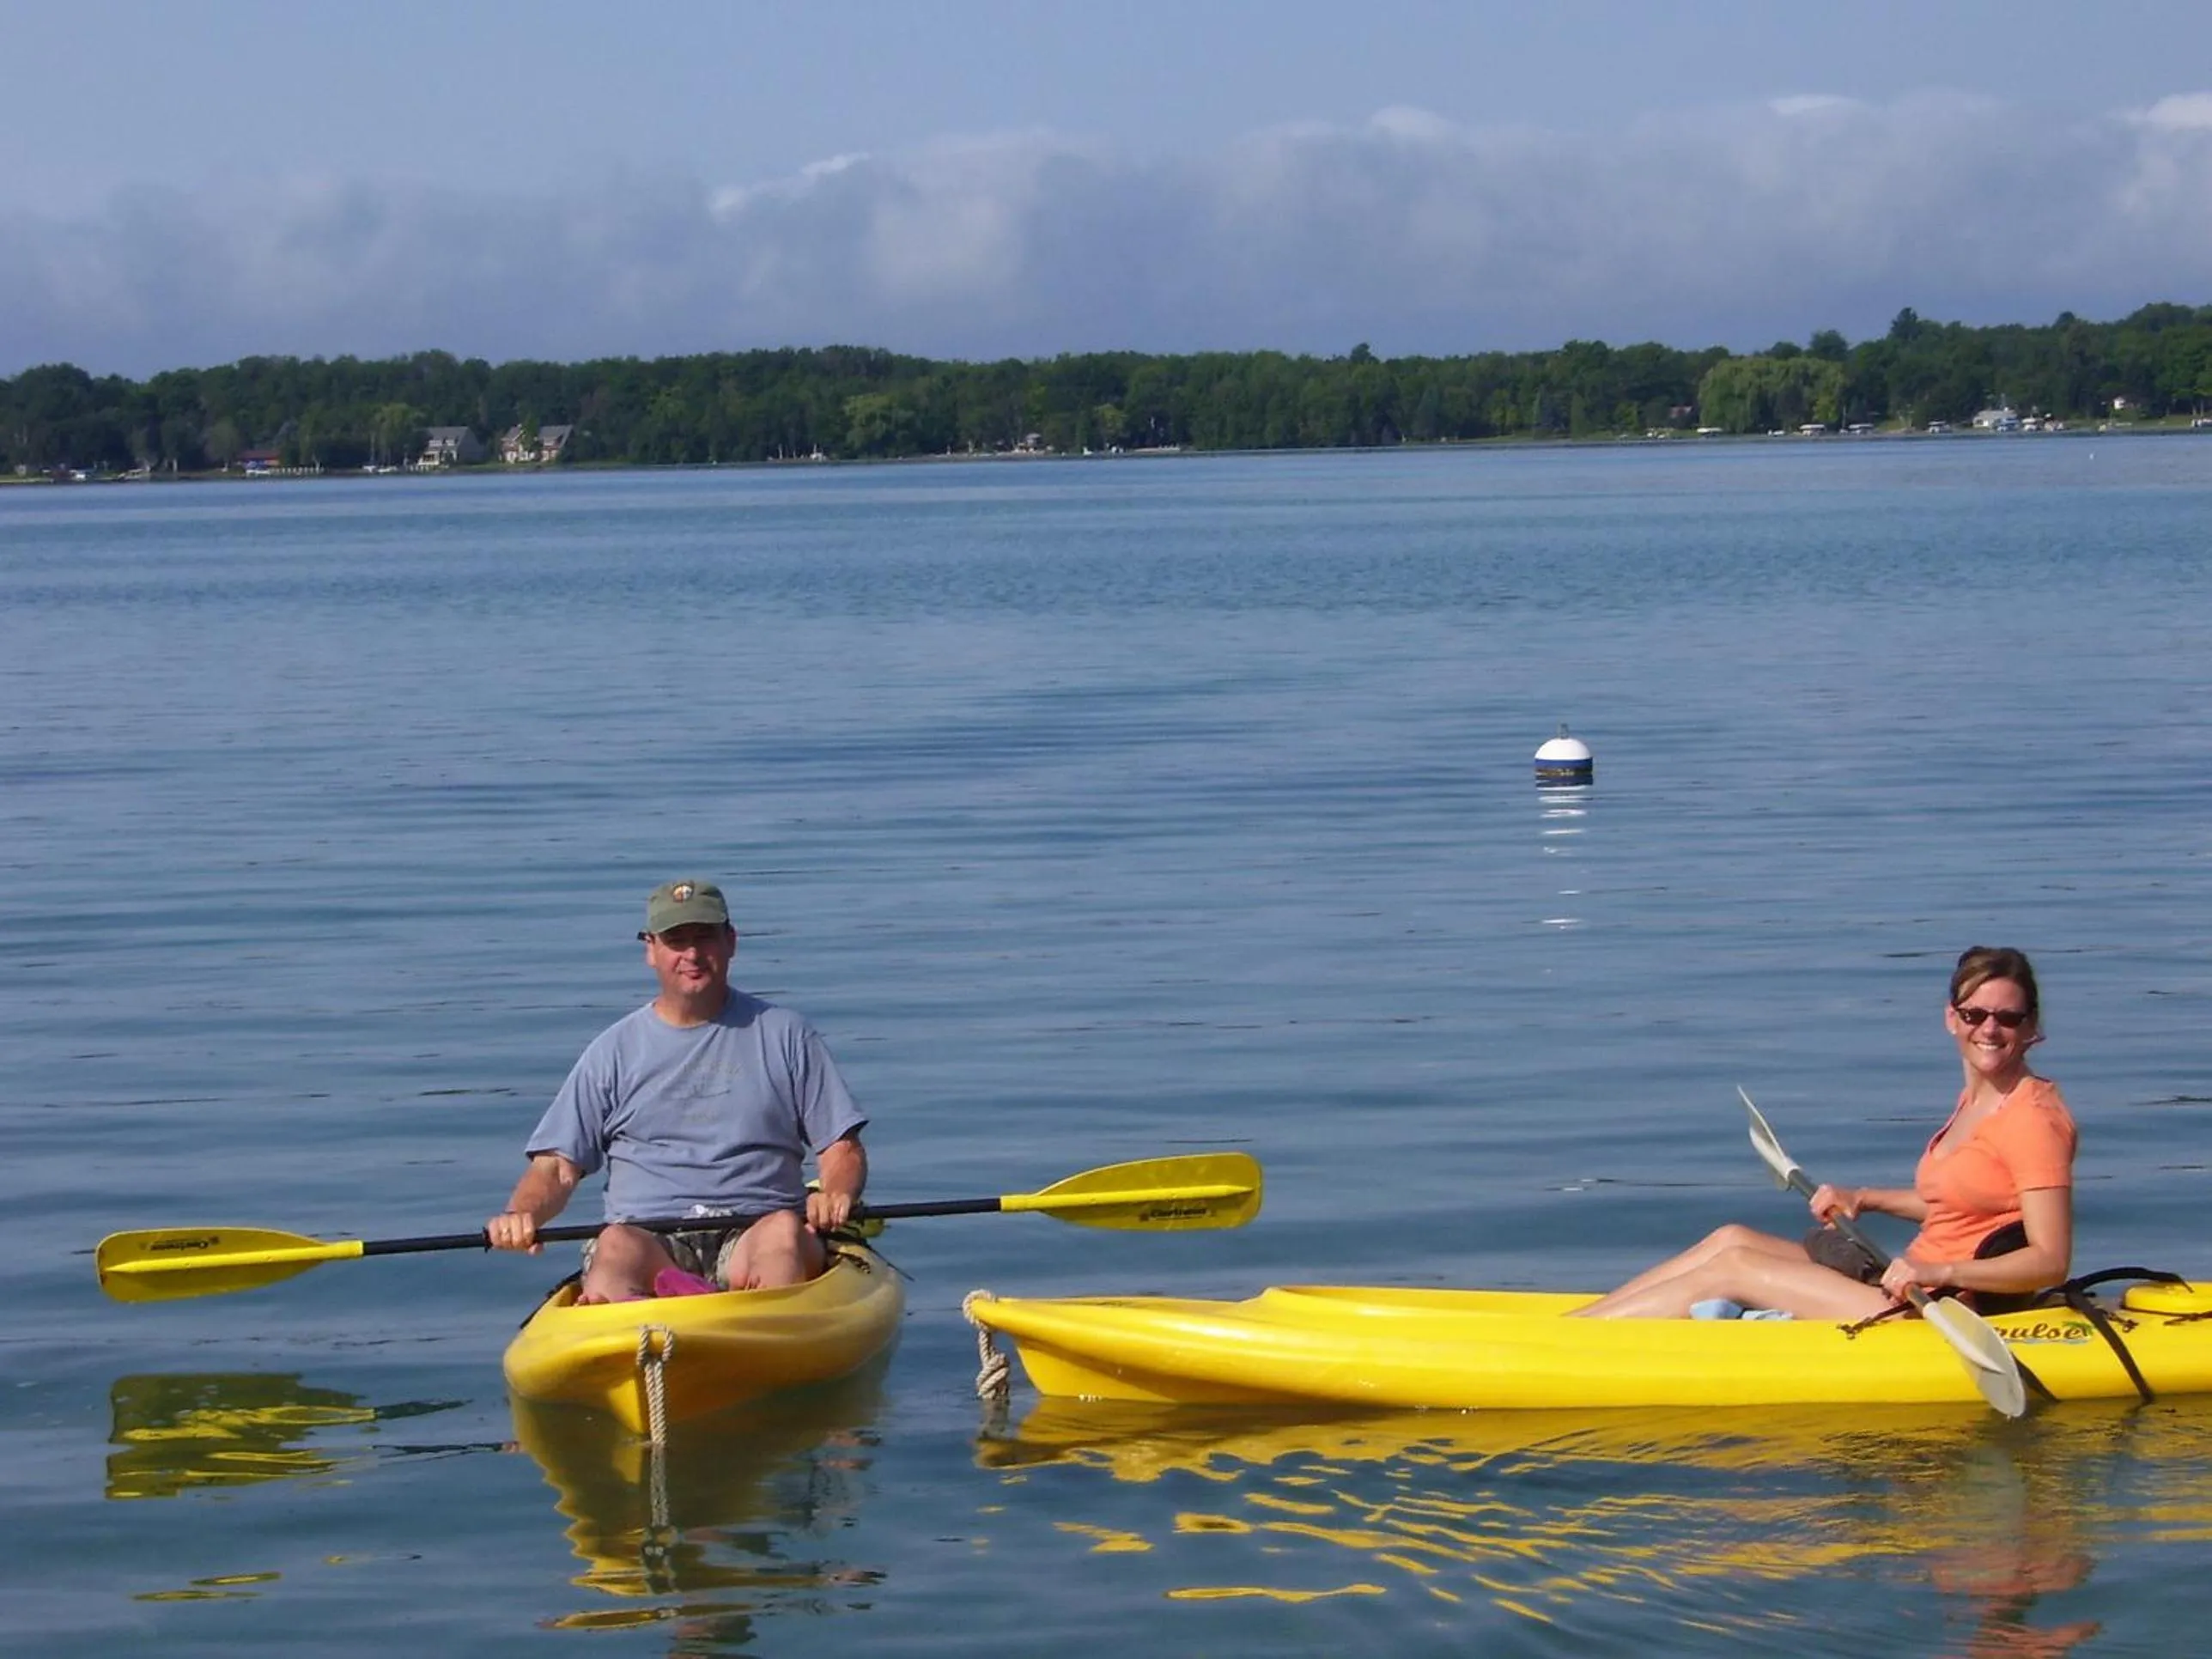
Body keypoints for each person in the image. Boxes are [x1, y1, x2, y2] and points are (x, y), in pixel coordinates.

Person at [1574, 946, 2075, 1322]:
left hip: (1934, 1310)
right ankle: (1572, 1327)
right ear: (1951, 1019)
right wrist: (1865, 1198)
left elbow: (2049, 1261)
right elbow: (1963, 1204)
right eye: (1974, 1014)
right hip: (1902, 1279)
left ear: (2031, 1026)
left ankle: (1574, 1348)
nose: (1989, 1029)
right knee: (1731, 1238)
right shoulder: (1979, 1098)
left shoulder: (2032, 1119)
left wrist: (1939, 1273)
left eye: (2007, 1018)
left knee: (1734, 1268)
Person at [486, 878, 868, 1303]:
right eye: (676, 941)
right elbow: (556, 1167)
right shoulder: (611, 1052)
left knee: (782, 1234)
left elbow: (840, 1148)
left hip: (757, 1230)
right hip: (650, 1239)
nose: (692, 954)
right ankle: (642, 1314)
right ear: (650, 950)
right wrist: (521, 1214)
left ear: (731, 942)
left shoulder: (787, 1035)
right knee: (615, 1244)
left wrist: (836, 1194)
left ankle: (751, 1319)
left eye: (704, 937)